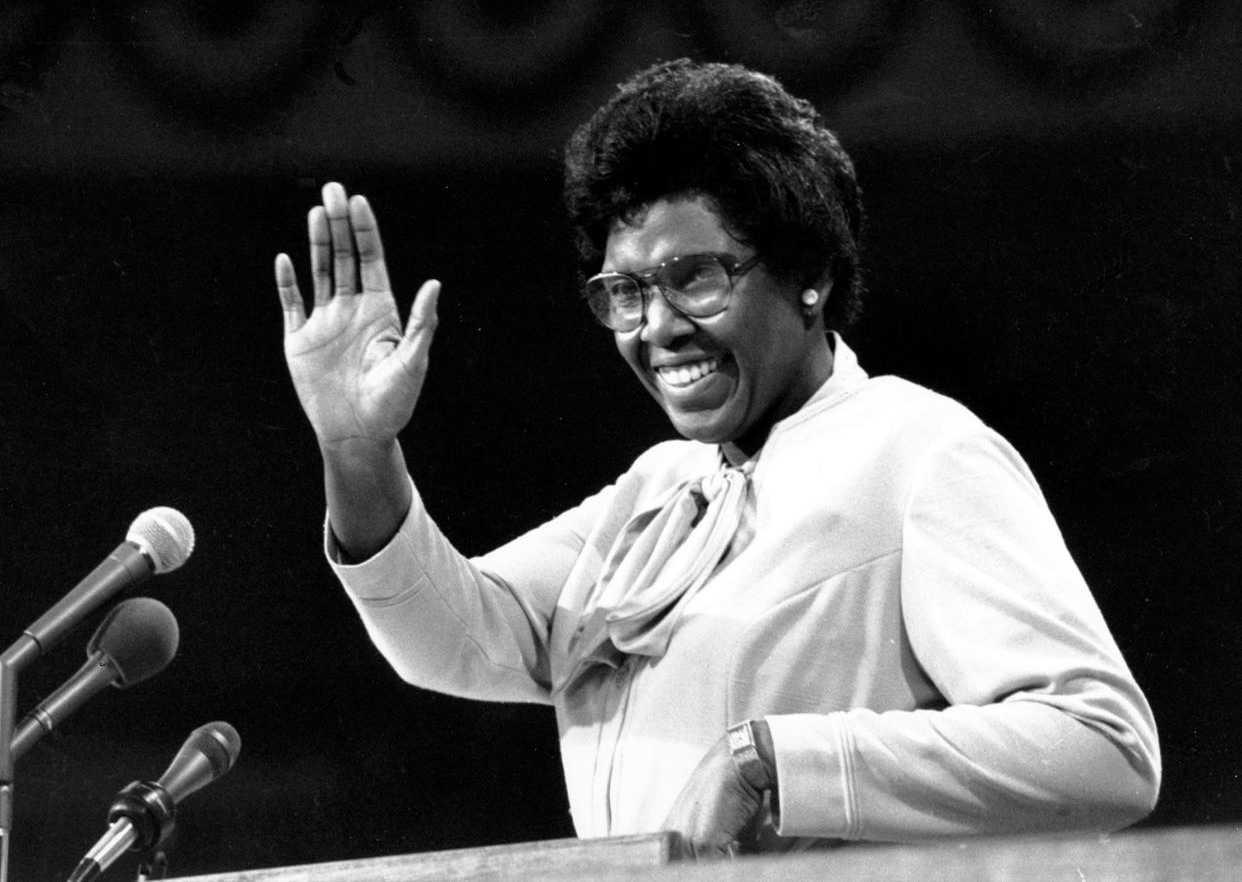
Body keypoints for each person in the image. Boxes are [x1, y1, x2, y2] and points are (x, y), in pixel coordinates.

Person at [274, 59, 1160, 858]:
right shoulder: (657, 488)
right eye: (627, 291)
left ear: (808, 273)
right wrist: (357, 448)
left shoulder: (919, 451)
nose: (658, 328)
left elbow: (1103, 748)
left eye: (695, 278)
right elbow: (454, 641)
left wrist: (778, 761)